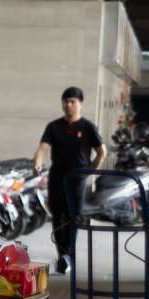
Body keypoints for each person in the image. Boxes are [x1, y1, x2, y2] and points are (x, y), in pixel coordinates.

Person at [32, 86, 107, 274]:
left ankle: (68, 255)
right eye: (66, 101)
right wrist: (38, 163)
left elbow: (102, 152)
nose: (69, 105)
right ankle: (63, 255)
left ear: (81, 104)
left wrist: (90, 169)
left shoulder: (87, 127)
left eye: (73, 101)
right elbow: (42, 148)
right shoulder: (54, 126)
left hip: (77, 179)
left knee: (73, 217)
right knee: (58, 217)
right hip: (57, 177)